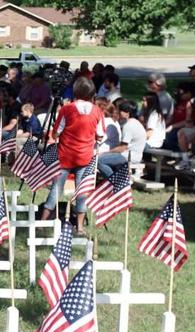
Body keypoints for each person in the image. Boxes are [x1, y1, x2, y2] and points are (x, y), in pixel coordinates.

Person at [42, 77, 105, 234]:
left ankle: (43, 222)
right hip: (85, 156)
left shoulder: (67, 109)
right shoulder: (97, 111)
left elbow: (56, 132)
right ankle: (80, 226)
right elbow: (101, 135)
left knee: (56, 189)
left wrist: (58, 136)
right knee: (82, 191)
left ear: (75, 91)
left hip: (65, 156)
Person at [97, 100, 146, 179]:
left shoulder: (129, 126)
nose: (118, 112)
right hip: (134, 155)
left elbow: (122, 148)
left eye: (120, 111)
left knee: (98, 161)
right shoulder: (136, 123)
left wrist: (105, 153)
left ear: (127, 113)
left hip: (129, 156)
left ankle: (114, 182)